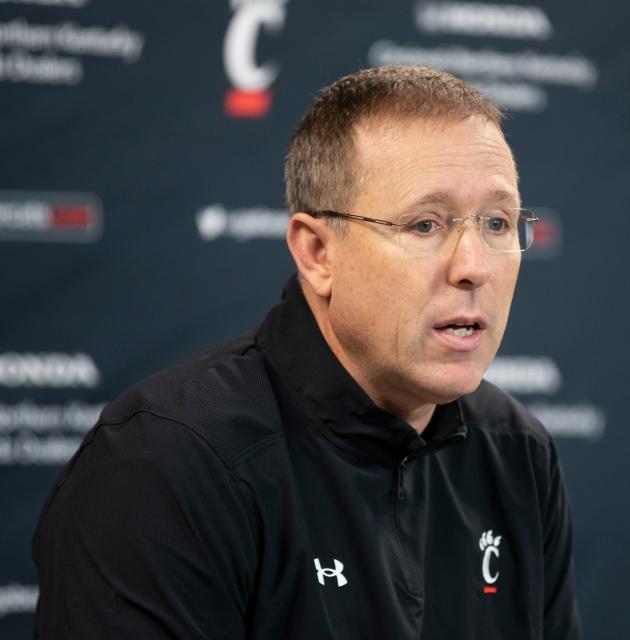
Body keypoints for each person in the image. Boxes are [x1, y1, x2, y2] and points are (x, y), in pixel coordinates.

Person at [32, 64, 582, 639]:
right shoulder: (166, 465)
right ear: (319, 252)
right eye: (425, 225)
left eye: (497, 222)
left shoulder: (518, 453)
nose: (474, 266)